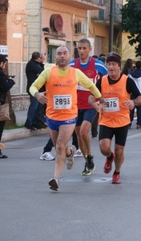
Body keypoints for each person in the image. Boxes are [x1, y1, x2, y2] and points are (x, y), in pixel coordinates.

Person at [30, 46, 103, 191]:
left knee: (58, 145)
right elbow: (33, 86)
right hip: (52, 116)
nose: (62, 56)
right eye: (59, 54)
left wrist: (100, 99)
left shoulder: (75, 73)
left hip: (69, 117)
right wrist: (37, 95)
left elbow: (91, 85)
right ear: (55, 57)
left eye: (64, 53)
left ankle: (56, 179)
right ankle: (70, 152)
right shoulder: (48, 73)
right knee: (61, 147)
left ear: (69, 56)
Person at [88, 52, 141, 184]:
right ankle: (109, 156)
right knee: (103, 147)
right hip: (106, 120)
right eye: (109, 64)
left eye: (113, 64)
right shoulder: (102, 81)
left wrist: (133, 102)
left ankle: (117, 172)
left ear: (119, 66)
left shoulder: (127, 81)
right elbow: (91, 97)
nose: (111, 67)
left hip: (122, 121)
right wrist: (95, 104)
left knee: (119, 151)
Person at [69, 38, 108, 176]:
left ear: (90, 49)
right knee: (79, 136)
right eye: (79, 48)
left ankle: (89, 157)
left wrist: (103, 100)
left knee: (84, 131)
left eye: (84, 48)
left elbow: (107, 81)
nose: (81, 51)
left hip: (91, 104)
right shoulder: (72, 64)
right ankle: (88, 161)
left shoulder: (98, 65)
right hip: (75, 105)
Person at [24, 52, 45, 131]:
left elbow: (42, 72)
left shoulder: (36, 64)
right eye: (41, 58)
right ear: (37, 58)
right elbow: (43, 72)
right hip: (33, 89)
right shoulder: (32, 64)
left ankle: (36, 122)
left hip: (38, 89)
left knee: (39, 106)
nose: (42, 59)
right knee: (34, 106)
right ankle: (29, 122)